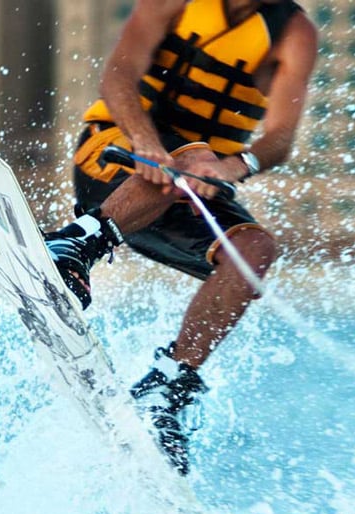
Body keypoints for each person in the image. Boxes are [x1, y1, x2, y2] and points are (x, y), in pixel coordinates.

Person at [43, 0, 318, 475]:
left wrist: (230, 168)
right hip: (113, 156)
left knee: (254, 250)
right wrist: (148, 143)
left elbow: (280, 138)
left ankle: (166, 384)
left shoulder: (293, 32)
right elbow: (118, 76)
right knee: (184, 156)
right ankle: (76, 244)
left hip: (194, 182)